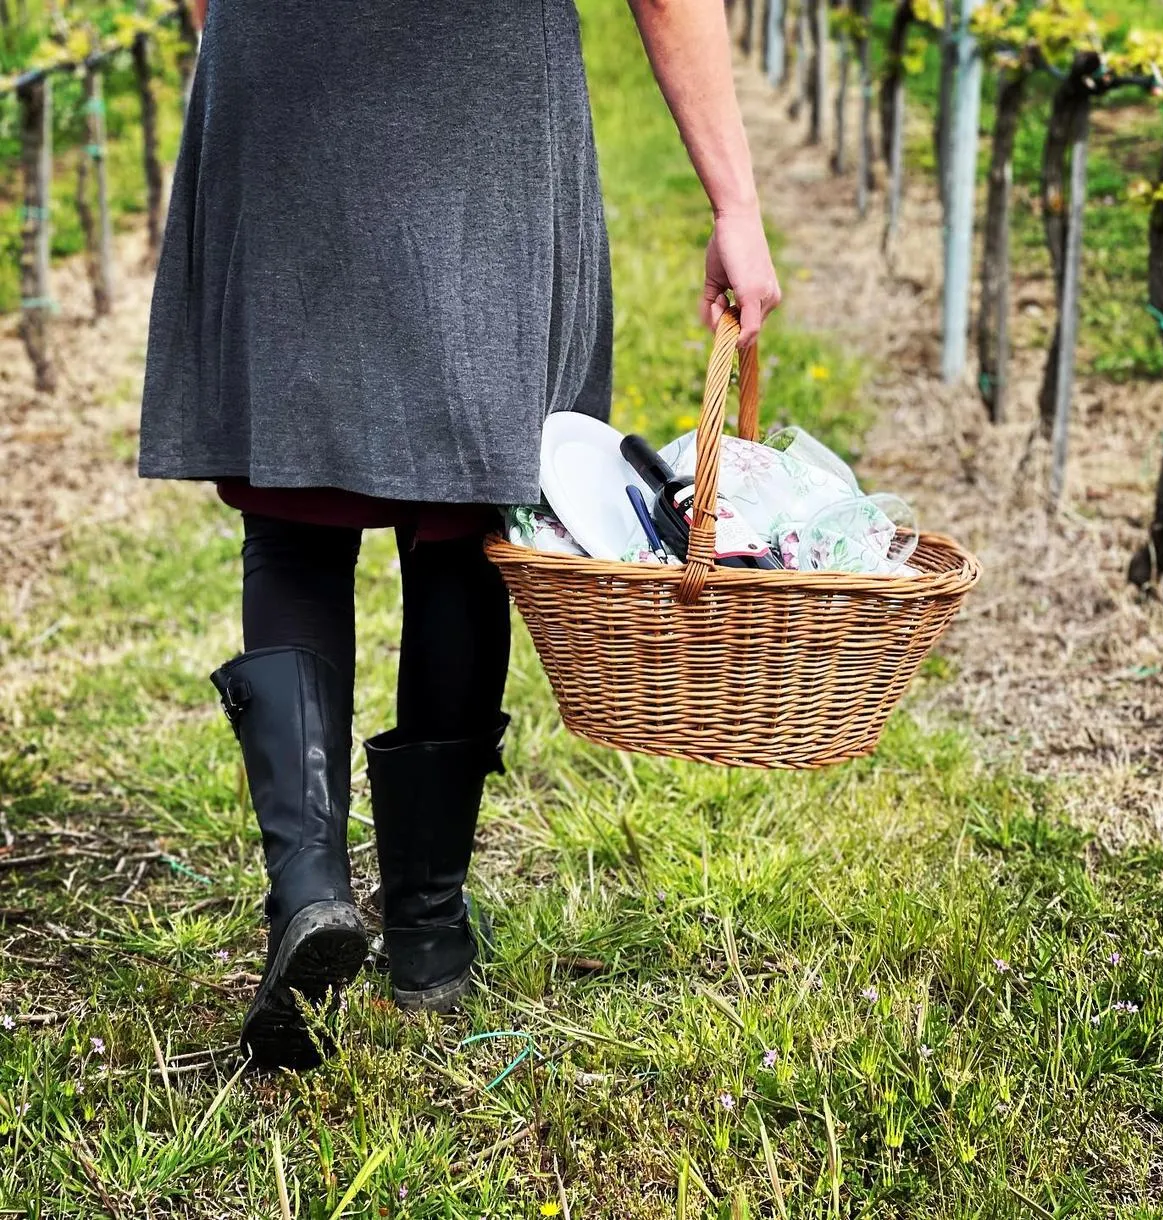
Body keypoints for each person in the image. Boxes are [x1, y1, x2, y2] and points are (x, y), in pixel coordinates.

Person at [139, 0, 781, 1069]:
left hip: (282, 76)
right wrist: (737, 204)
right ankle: (427, 930)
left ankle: (307, 887)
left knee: (295, 510)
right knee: (466, 499)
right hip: (478, 90)